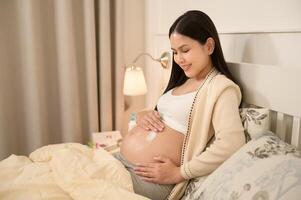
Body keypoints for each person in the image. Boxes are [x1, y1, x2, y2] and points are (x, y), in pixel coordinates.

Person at [115, 10, 246, 200]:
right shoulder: (181, 81)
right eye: (175, 52)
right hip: (122, 161)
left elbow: (231, 143)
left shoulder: (220, 88)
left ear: (209, 46)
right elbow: (162, 115)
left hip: (148, 178)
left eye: (185, 50)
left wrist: (180, 173)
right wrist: (143, 115)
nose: (178, 59)